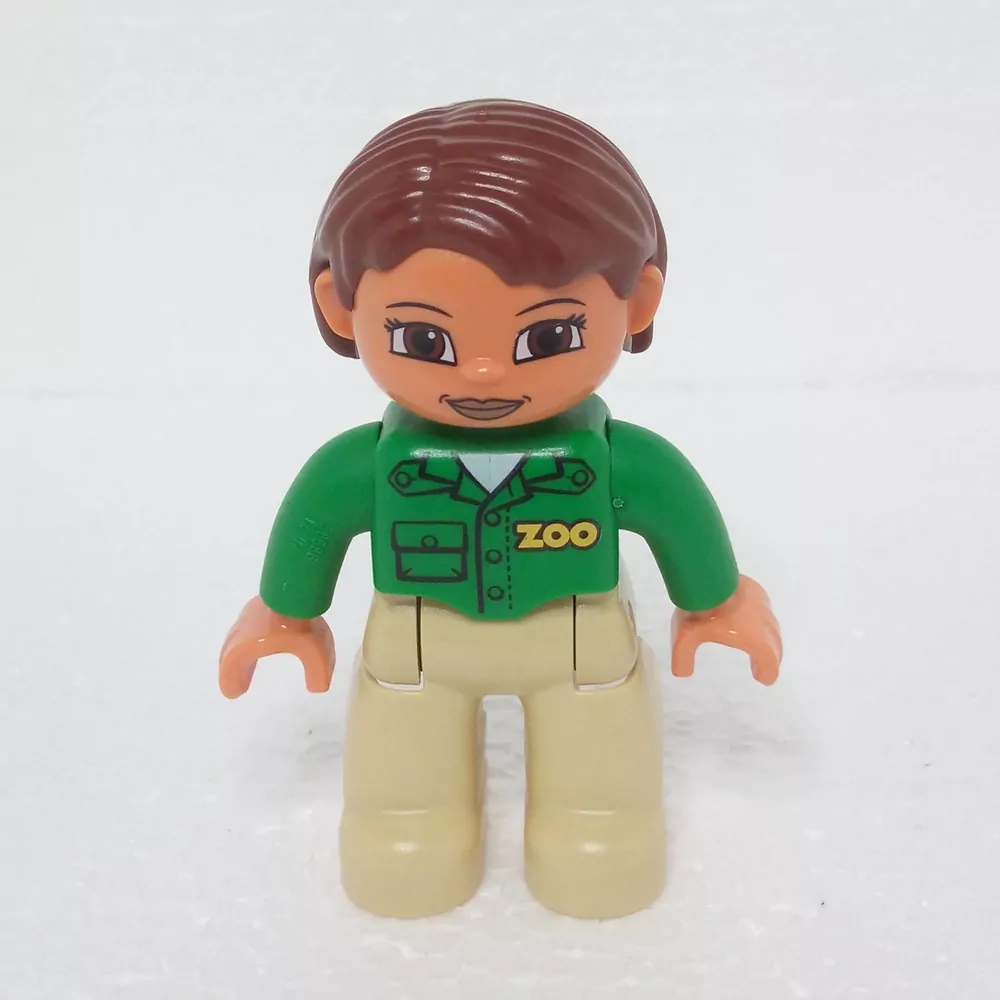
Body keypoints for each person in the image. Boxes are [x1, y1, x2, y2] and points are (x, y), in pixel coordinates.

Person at [219, 99, 782, 919]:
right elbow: (316, 521)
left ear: (637, 303)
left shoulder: (615, 459)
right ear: (343, 308)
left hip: (577, 636)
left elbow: (676, 511)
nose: (483, 374)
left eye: (545, 338)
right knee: (402, 770)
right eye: (426, 340)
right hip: (418, 639)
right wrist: (285, 613)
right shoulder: (368, 464)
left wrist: (717, 601)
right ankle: (407, 828)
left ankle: (600, 827)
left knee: (599, 765)